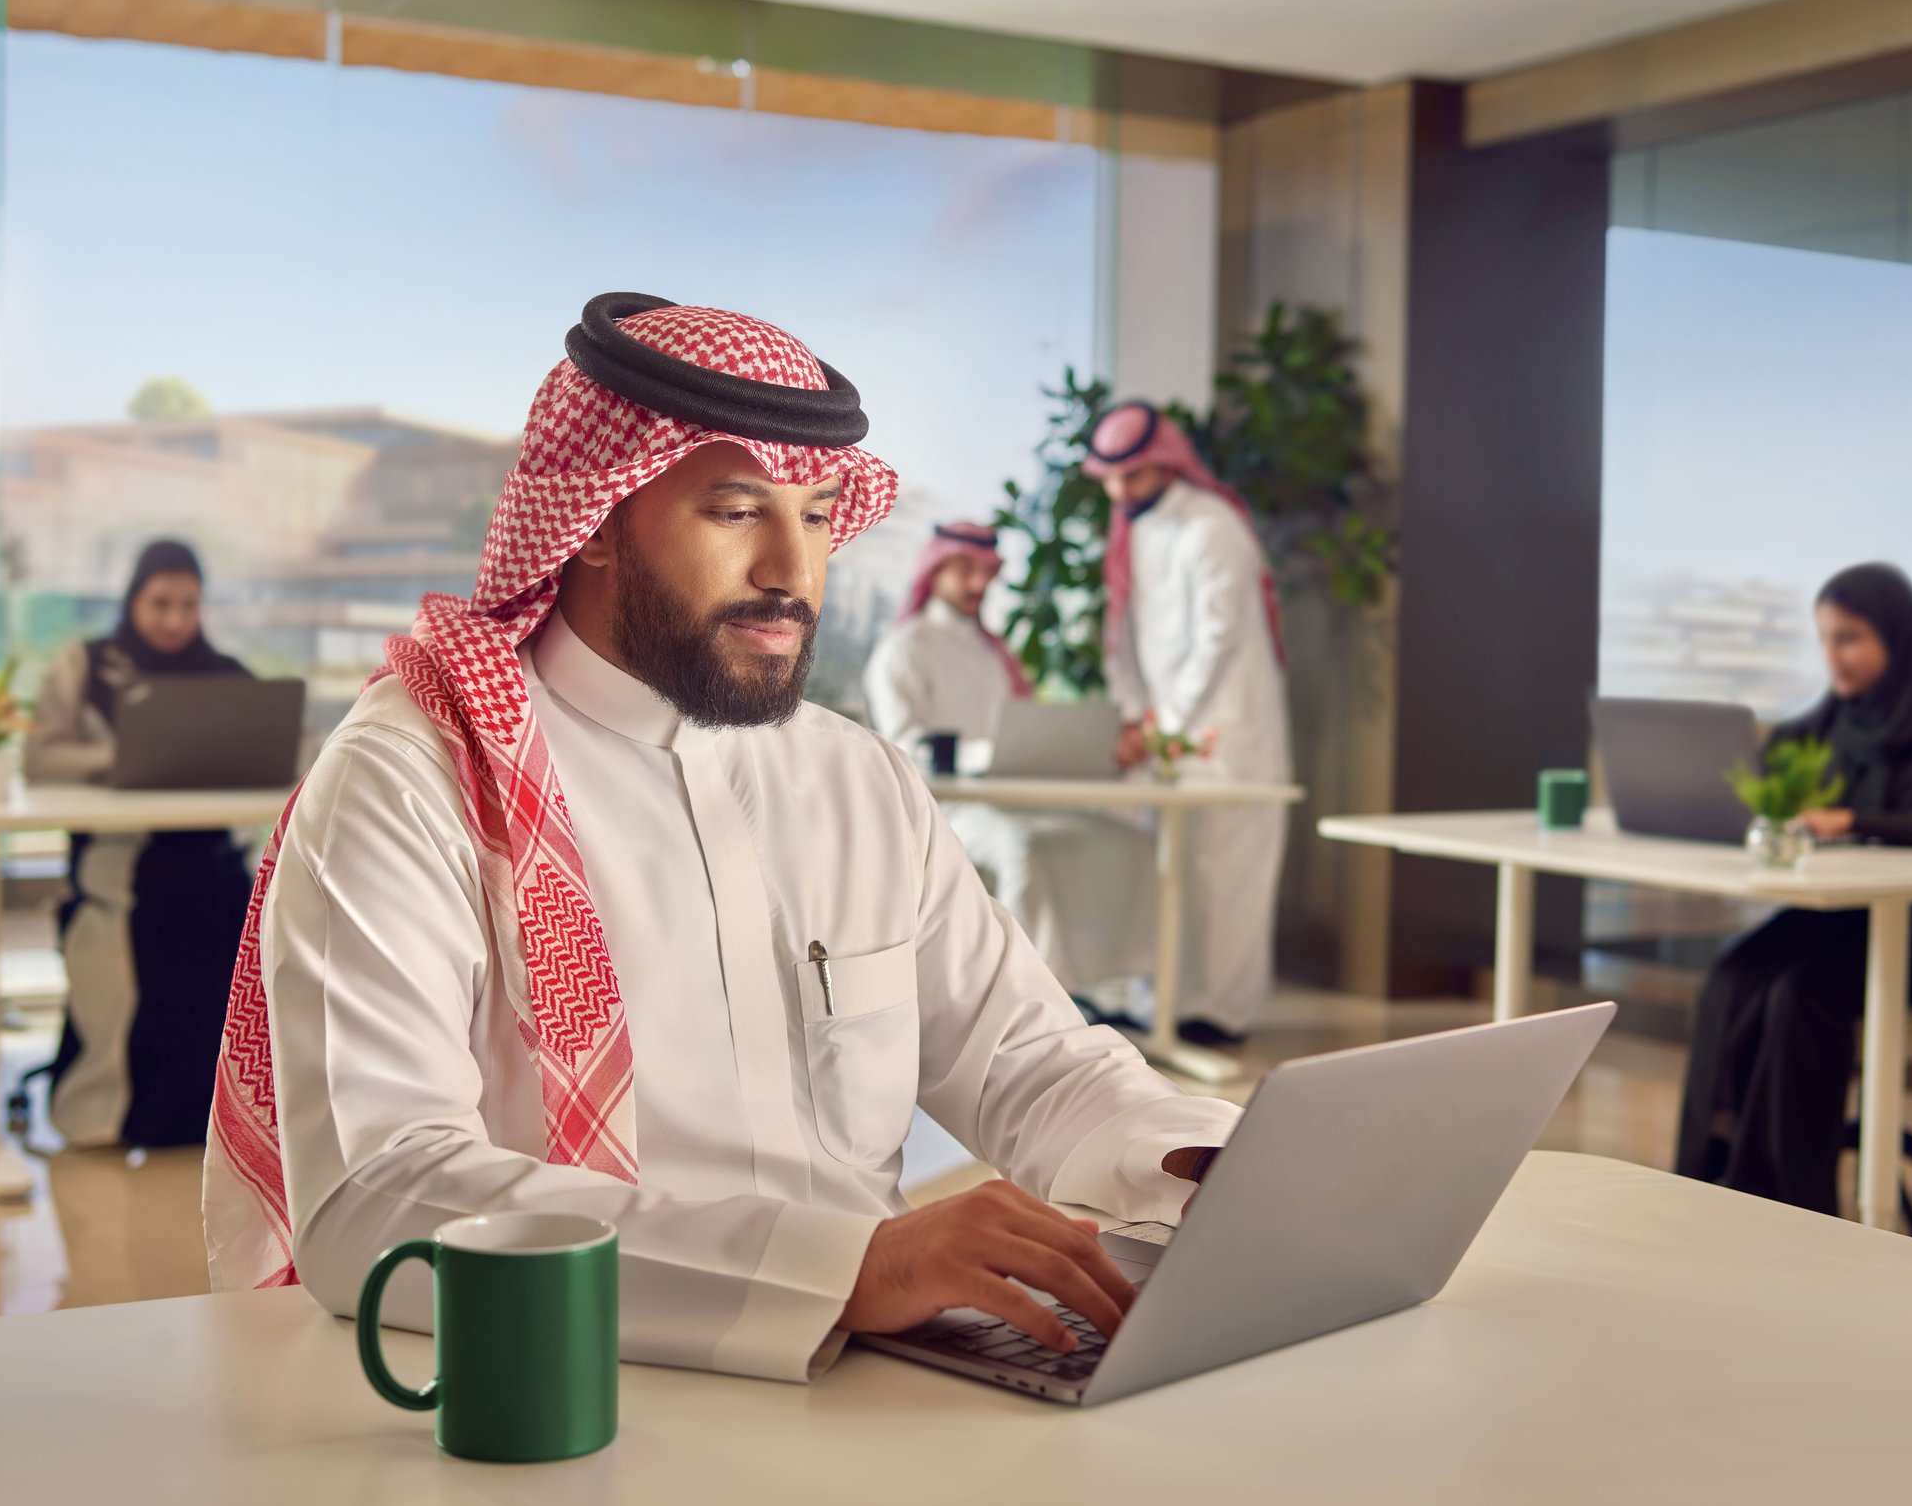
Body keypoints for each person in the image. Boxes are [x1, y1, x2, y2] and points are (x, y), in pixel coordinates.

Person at [205, 293, 1238, 1381]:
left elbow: (1028, 1065)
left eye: (821, 514)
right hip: (556, 1400)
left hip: (879, 1396)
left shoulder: (857, 779)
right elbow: (377, 1194)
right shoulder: (412, 776)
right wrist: (843, 1270)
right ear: (596, 519)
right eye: (737, 511)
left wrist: (1198, 1159)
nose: (793, 571)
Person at [1673, 562, 1912, 1216]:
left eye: (1850, 637)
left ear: (1898, 635)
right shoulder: (1835, 722)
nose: (1834, 655)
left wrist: (1856, 821)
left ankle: (1788, 1209)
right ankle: (1705, 1183)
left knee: (1800, 995)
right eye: (1825, 638)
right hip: (1840, 928)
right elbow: (1776, 769)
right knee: (1732, 978)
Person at [22, 539, 256, 1149]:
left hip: (212, 868)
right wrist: (124, 757)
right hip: (120, 866)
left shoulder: (226, 675)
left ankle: (218, 1124)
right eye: (161, 603)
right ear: (133, 599)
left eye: (189, 604)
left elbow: (283, 745)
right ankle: (107, 1120)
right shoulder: (88, 665)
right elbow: (39, 757)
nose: (176, 620)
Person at [862, 521, 1155, 1008]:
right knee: (1023, 847)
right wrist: (982, 755)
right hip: (941, 808)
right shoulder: (904, 648)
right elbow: (901, 749)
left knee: (1123, 840)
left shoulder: (994, 653)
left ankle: (1105, 992)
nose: (979, 584)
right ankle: (1026, 1004)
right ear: (934, 569)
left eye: (988, 572)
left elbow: (1026, 734)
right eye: (965, 570)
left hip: (1012, 799)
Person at [1082, 401, 1291, 1045]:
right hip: (1164, 733)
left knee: (1224, 876)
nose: (1120, 492)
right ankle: (1157, 1005)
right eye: (1110, 479)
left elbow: (1218, 639)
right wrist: (1135, 717)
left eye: (1133, 477)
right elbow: (1126, 635)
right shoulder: (1137, 530)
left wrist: (1166, 723)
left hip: (1226, 731)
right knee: (1166, 870)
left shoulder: (1212, 524)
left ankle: (1218, 1016)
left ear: (1165, 465)